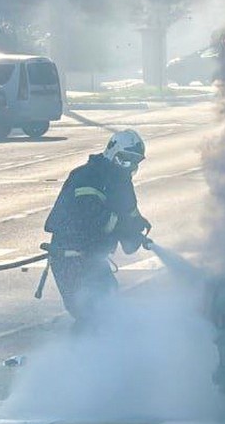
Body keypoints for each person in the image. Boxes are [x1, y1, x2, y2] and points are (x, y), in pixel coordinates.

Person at [44, 129, 152, 327]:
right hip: (70, 257)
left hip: (92, 258)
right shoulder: (87, 176)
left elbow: (129, 213)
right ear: (111, 151)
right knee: (90, 313)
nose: (129, 166)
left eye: (134, 162)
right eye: (124, 159)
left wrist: (138, 228)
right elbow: (93, 219)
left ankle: (104, 354)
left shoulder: (121, 182)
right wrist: (123, 227)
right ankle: (78, 355)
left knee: (109, 306)